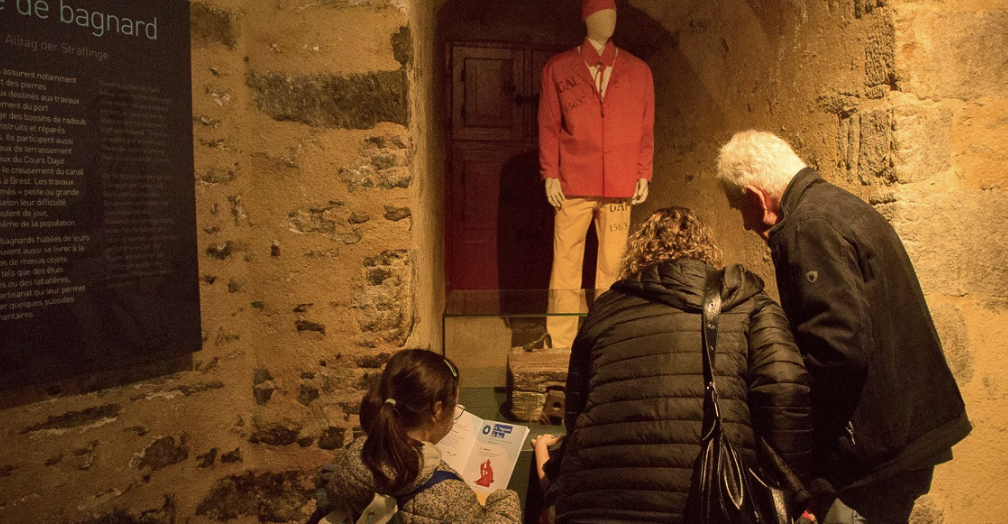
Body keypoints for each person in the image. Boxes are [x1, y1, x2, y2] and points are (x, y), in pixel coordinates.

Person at [716, 130, 972, 524]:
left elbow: (837, 347)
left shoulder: (809, 227)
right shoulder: (838, 207)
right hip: (903, 432)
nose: (746, 224)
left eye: (739, 210)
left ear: (756, 197)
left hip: (878, 449)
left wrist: (791, 410)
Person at [543, 207, 814, 523]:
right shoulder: (749, 303)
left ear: (638, 252)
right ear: (706, 249)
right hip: (707, 501)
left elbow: (576, 411)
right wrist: (789, 493)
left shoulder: (604, 310)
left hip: (593, 502)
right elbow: (786, 392)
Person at [538, 0, 655, 349]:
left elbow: (646, 127)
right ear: (587, 19)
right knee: (566, 264)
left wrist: (643, 171)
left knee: (613, 265)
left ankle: (607, 333)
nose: (609, 21)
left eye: (613, 14)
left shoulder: (638, 71)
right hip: (573, 181)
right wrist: (550, 173)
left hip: (619, 183)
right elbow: (548, 125)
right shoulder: (559, 68)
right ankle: (561, 339)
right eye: (601, 14)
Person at [323, 349, 521, 524]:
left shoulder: (356, 457)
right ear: (437, 410)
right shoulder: (450, 496)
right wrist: (504, 502)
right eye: (455, 406)